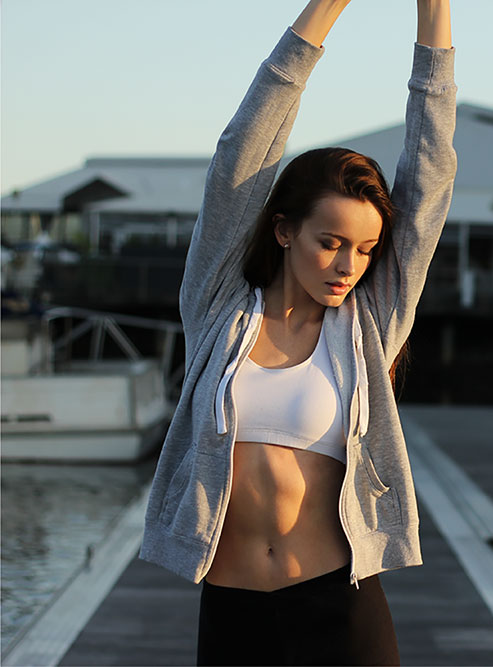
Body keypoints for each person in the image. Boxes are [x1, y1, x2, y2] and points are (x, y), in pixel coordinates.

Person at [137, 0, 456, 664]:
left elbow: (428, 181)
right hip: (232, 609)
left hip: (338, 605)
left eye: (365, 249)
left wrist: (434, 15)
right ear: (284, 230)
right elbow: (238, 157)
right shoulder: (219, 309)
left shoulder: (369, 327)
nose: (348, 264)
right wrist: (327, 8)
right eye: (330, 241)